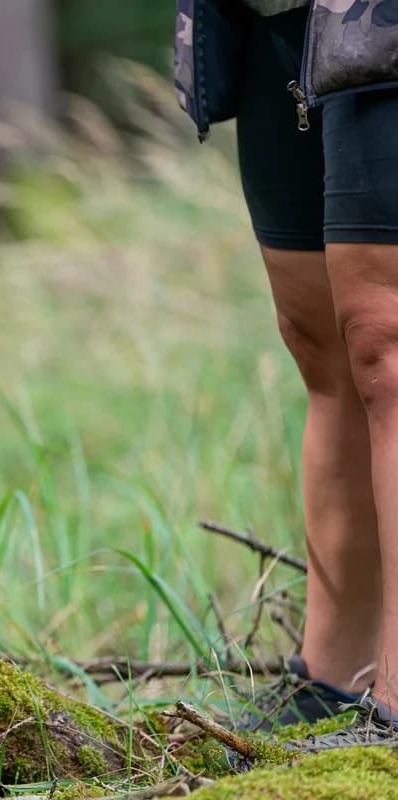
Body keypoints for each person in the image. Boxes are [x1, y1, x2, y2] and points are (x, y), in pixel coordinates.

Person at [175, 0, 398, 730]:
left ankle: (395, 704)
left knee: (387, 344)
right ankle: (333, 683)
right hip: (274, 16)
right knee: (321, 344)